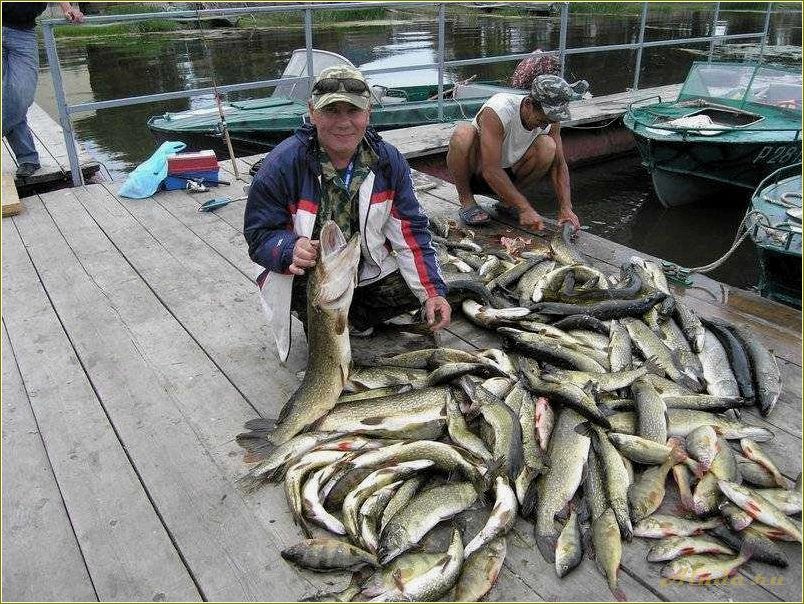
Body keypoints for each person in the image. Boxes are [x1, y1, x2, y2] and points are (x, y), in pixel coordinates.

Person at [244, 65, 451, 362]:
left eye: (353, 111)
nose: (343, 122)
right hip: (312, 278)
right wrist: (288, 249)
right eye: (332, 111)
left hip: (365, 269)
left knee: (426, 284)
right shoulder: (281, 165)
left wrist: (432, 292)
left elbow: (411, 231)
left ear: (368, 114)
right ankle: (329, 327)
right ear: (312, 112)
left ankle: (355, 319)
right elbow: (259, 235)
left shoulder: (388, 161)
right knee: (301, 284)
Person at [447, 74, 585, 231]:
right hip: (478, 172)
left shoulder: (551, 120)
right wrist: (525, 207)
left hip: (510, 174)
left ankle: (507, 202)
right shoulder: (499, 109)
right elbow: (490, 169)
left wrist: (566, 207)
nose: (543, 126)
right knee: (463, 133)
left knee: (548, 146)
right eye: (540, 121)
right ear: (528, 104)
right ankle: (467, 201)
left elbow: (559, 165)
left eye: (548, 122)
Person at [2, 2, 84, 178]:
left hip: (23, 33)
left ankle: (27, 158)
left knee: (20, 96)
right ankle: (27, 158)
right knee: (9, 98)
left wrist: (67, 8)